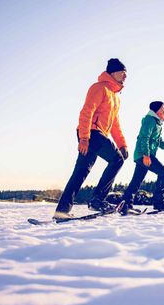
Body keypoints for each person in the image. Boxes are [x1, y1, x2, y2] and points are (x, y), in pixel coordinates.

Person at [54, 58, 129, 220]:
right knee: (117, 160)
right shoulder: (99, 88)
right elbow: (87, 112)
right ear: (113, 72)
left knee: (80, 172)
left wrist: (122, 144)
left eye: (126, 73)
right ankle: (98, 200)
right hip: (91, 133)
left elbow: (115, 124)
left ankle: (62, 211)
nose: (125, 76)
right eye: (123, 72)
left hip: (97, 135)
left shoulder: (115, 97)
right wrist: (84, 138)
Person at [121, 101, 164, 214]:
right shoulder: (150, 120)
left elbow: (160, 142)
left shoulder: (157, 123)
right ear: (157, 110)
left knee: (136, 180)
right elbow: (144, 138)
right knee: (163, 173)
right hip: (144, 155)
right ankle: (159, 202)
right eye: (163, 108)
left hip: (143, 155)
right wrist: (146, 155)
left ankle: (126, 204)